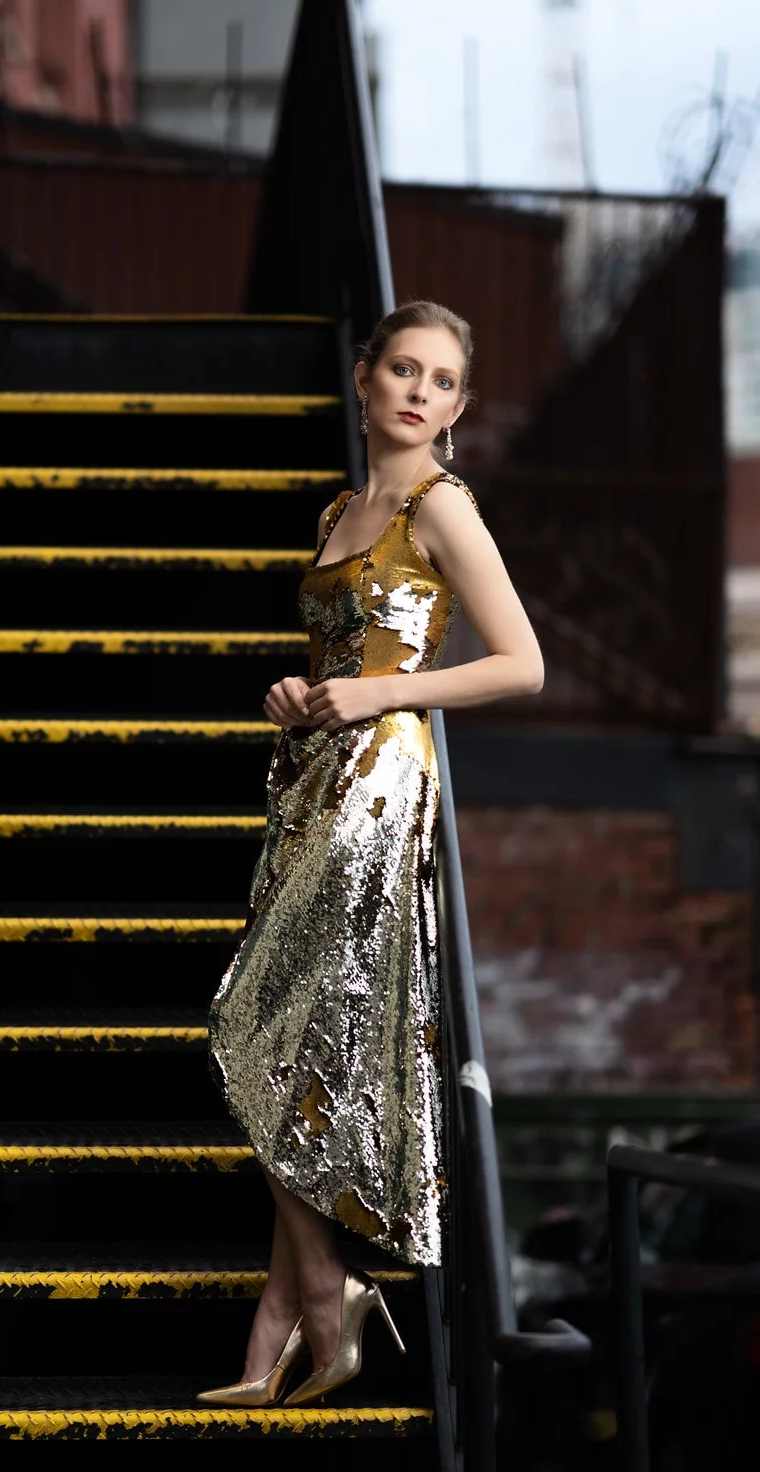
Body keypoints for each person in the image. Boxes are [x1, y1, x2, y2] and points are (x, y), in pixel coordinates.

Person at [200, 299, 544, 1407]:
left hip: (381, 779)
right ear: (362, 378)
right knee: (291, 1035)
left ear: (455, 407)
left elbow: (518, 664)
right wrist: (294, 697)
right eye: (402, 368)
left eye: (441, 381)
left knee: (250, 1019)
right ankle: (292, 1312)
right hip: (310, 773)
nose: (418, 393)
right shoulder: (341, 506)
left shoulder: (444, 507)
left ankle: (310, 1299)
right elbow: (339, 654)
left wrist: (379, 693)